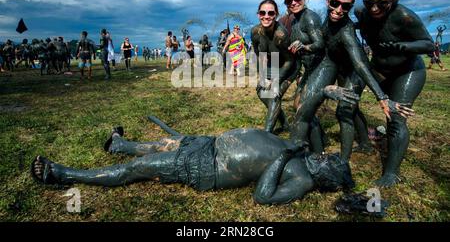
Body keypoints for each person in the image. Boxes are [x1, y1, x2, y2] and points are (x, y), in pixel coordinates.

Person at [31, 110, 356, 205]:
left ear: (328, 177)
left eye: (331, 161)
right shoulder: (306, 154)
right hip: (208, 144)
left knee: (138, 168)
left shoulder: (302, 178)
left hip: (207, 167)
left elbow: (263, 196)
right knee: (158, 144)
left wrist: (282, 156)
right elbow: (306, 120)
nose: (326, 155)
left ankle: (63, 174)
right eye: (330, 155)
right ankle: (118, 143)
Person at [289, 0, 414, 163]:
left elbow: (360, 65)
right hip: (334, 64)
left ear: (350, 8)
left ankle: (343, 163)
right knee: (324, 103)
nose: (339, 10)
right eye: (335, 3)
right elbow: (322, 43)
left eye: (345, 6)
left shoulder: (346, 32)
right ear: (328, 2)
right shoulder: (328, 16)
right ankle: (364, 143)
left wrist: (382, 97)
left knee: (344, 111)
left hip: (354, 71)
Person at [354, 0, 435, 186]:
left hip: (407, 71)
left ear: (394, 0)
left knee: (396, 119)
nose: (374, 9)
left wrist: (405, 46)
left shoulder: (405, 17)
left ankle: (391, 172)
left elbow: (428, 44)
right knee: (348, 99)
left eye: (381, 4)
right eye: (369, 2)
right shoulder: (361, 12)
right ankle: (363, 142)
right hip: (378, 69)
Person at [279, 0, 329, 150]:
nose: (293, 2)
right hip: (308, 69)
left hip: (321, 67)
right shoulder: (295, 20)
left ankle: (318, 152)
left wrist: (304, 47)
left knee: (304, 108)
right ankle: (320, 139)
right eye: (289, 1)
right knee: (298, 106)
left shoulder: (310, 17)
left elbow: (320, 44)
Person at [250, 0, 295, 133]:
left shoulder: (280, 35)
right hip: (273, 63)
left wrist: (276, 80)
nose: (266, 16)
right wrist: (263, 77)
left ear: (275, 14)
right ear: (258, 14)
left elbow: (290, 61)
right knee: (262, 92)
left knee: (274, 95)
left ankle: (267, 134)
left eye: (271, 13)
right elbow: (260, 54)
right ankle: (285, 124)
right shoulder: (255, 32)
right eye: (263, 12)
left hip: (290, 66)